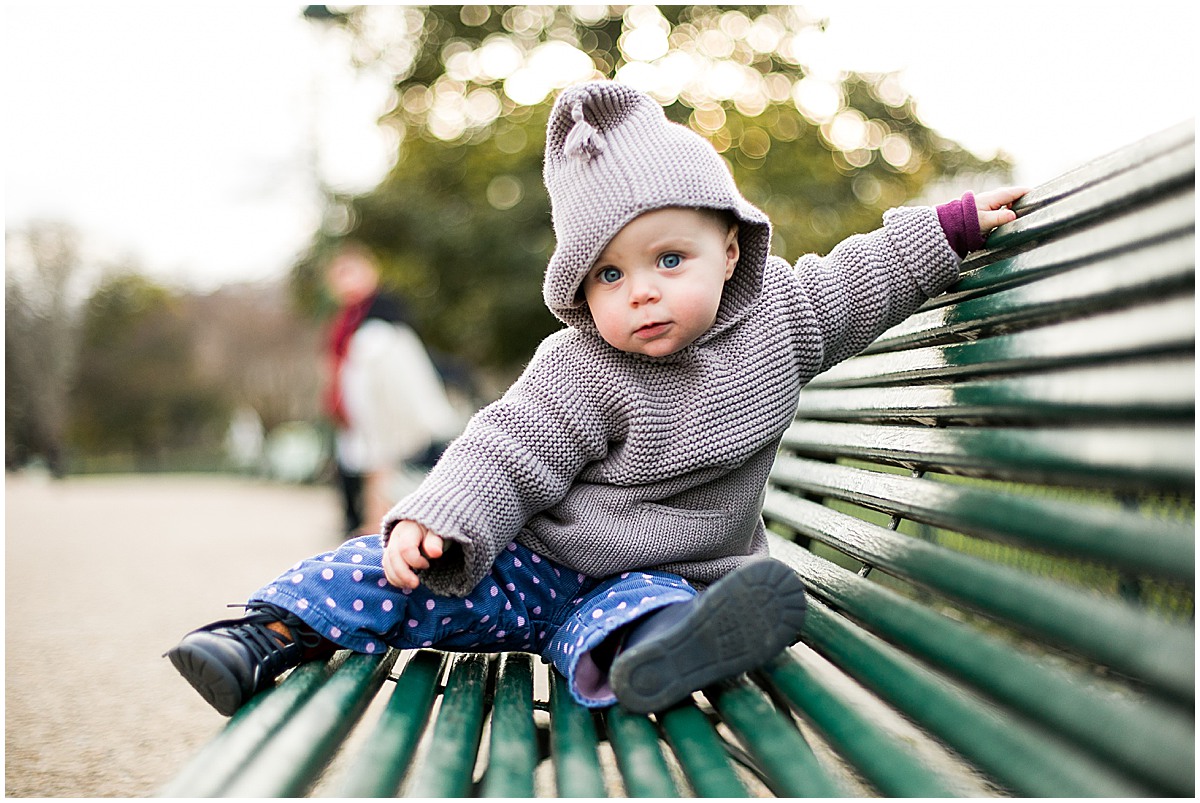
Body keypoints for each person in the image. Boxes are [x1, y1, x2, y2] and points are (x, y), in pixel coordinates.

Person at [166, 81, 1024, 717]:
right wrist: (440, 517)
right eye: (609, 274)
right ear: (580, 289)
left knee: (642, 613)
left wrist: (948, 227)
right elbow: (508, 445)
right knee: (384, 568)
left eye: (668, 259)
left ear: (731, 248)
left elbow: (861, 278)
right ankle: (262, 635)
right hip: (535, 564)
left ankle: (658, 658)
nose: (640, 292)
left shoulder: (786, 319)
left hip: (671, 575)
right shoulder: (579, 365)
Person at [322, 242, 461, 536]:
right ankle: (374, 520)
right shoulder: (346, 322)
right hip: (363, 406)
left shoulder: (383, 318)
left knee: (385, 461)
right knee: (370, 463)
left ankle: (382, 521)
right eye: (340, 275)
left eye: (351, 272)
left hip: (386, 403)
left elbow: (399, 371)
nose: (346, 281)